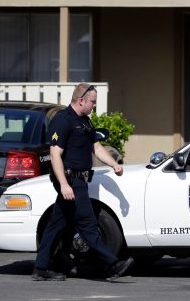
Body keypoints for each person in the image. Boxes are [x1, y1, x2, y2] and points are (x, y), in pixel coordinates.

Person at [32, 83, 134, 281]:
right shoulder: (63, 120)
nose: (94, 106)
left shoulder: (85, 121)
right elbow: (55, 155)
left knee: (56, 224)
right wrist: (63, 184)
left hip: (79, 180)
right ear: (81, 101)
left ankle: (41, 268)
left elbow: (96, 147)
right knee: (88, 223)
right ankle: (112, 265)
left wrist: (114, 164)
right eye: (92, 102)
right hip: (71, 180)